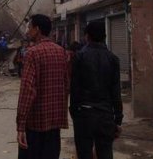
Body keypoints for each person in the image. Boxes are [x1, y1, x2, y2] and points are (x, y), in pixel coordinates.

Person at [16, 14, 69, 159]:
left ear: (37, 29)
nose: (27, 31)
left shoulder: (32, 53)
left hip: (35, 125)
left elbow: (27, 91)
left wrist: (20, 126)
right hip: (54, 124)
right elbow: (65, 86)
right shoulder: (61, 52)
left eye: (29, 27)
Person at [70, 22, 123, 159]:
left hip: (84, 114)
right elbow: (116, 92)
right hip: (105, 115)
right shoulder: (113, 59)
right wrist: (118, 119)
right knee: (105, 153)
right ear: (104, 36)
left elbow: (74, 89)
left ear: (87, 36)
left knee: (84, 153)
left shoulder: (79, 57)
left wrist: (74, 112)